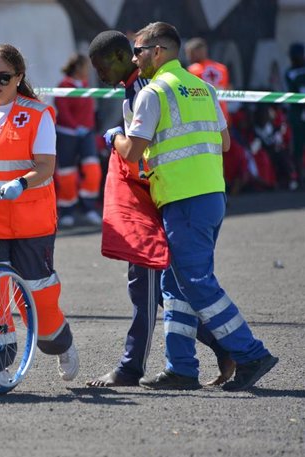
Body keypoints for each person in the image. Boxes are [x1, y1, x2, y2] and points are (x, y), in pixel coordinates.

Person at [105, 22, 277, 391]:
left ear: (159, 51)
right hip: (212, 194)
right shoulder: (204, 88)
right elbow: (226, 143)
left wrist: (115, 137)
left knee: (196, 283)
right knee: (175, 283)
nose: (135, 58)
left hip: (183, 198)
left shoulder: (154, 93)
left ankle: (250, 353)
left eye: (138, 51)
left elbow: (133, 153)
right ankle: (181, 367)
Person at [86, 30, 235, 388]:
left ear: (124, 56)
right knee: (166, 290)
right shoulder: (152, 86)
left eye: (102, 65)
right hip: (185, 194)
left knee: (149, 286)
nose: (98, 74)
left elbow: (136, 152)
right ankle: (223, 348)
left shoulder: (145, 90)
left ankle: (130, 367)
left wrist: (113, 138)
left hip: (159, 198)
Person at [0, 43, 79, 381]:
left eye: (3, 77)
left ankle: (60, 344)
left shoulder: (38, 115)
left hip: (31, 221)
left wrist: (19, 184)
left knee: (38, 294)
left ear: (19, 77)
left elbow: (45, 167)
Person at [54, 53, 102, 227]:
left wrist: (88, 129)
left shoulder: (86, 85)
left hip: (86, 134)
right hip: (67, 134)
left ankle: (88, 207)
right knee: (67, 174)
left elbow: (89, 111)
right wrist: (75, 127)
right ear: (77, 67)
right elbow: (63, 110)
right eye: (85, 66)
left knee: (93, 170)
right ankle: (67, 211)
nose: (88, 70)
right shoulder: (63, 85)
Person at [185, 38, 231, 125]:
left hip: (202, 117)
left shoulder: (192, 70)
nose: (188, 57)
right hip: (223, 116)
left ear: (197, 52)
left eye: (189, 53)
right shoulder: (222, 69)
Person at [285, 42, 305, 189]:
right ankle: (299, 179)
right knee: (297, 147)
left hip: (298, 113)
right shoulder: (290, 73)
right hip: (297, 113)